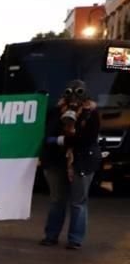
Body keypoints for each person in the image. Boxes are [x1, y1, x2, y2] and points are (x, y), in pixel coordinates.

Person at [39, 79, 101, 249]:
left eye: (79, 92)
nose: (74, 97)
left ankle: (75, 239)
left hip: (82, 162)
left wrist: (61, 139)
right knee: (57, 200)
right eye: (70, 92)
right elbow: (46, 134)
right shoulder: (56, 111)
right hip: (57, 162)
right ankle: (51, 236)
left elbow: (86, 139)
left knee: (78, 202)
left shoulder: (91, 113)